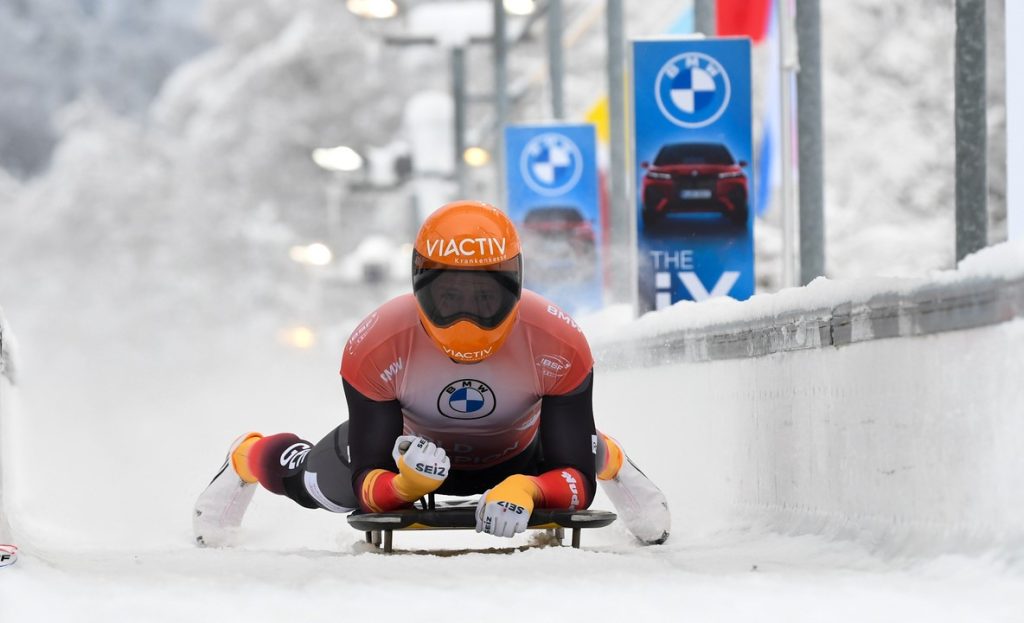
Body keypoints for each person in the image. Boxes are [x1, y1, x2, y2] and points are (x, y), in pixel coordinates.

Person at [194, 200, 670, 546]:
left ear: (515, 286)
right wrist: (404, 487)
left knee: (577, 448)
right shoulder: (377, 343)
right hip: (405, 454)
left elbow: (574, 479)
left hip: (522, 453)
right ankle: (249, 456)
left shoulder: (559, 342)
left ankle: (607, 454)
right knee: (317, 486)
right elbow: (367, 481)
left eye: (484, 299)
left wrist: (529, 486)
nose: (467, 320)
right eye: (449, 299)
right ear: (420, 286)